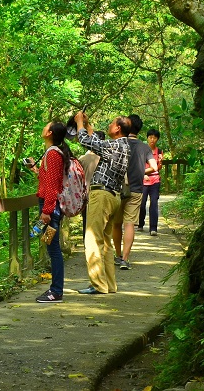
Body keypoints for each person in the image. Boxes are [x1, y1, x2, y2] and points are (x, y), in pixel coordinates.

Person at [74, 112, 130, 295]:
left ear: (118, 128)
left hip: (102, 195)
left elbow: (86, 141)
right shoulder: (124, 146)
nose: (109, 125)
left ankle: (98, 284)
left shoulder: (114, 145)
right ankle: (109, 285)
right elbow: (96, 142)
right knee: (105, 243)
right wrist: (88, 124)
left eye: (112, 123)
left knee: (92, 239)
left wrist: (79, 123)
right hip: (114, 196)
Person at [31, 121, 71, 303]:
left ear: (50, 133)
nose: (43, 128)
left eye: (46, 126)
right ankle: (55, 289)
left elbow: (53, 186)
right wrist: (36, 170)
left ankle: (56, 291)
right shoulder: (51, 153)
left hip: (50, 209)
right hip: (49, 207)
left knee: (53, 249)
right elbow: (48, 180)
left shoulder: (53, 154)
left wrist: (46, 211)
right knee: (50, 246)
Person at [113, 115, 158, 270]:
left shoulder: (118, 143)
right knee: (130, 224)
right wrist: (141, 172)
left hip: (118, 189)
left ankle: (118, 255)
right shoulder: (144, 147)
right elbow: (154, 167)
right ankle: (125, 259)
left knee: (116, 224)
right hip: (136, 189)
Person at [78, 130, 105, 238]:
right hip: (103, 194)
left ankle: (86, 243)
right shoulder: (107, 158)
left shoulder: (82, 159)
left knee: (86, 222)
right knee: (102, 223)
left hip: (86, 195)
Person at [139, 128, 164, 235]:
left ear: (157, 139)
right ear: (147, 138)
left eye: (154, 138)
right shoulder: (142, 150)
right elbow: (138, 165)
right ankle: (140, 223)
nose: (152, 140)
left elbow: (158, 168)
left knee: (154, 203)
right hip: (143, 180)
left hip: (155, 180)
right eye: (150, 137)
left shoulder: (159, 151)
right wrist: (143, 174)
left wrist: (160, 162)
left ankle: (153, 228)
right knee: (142, 203)